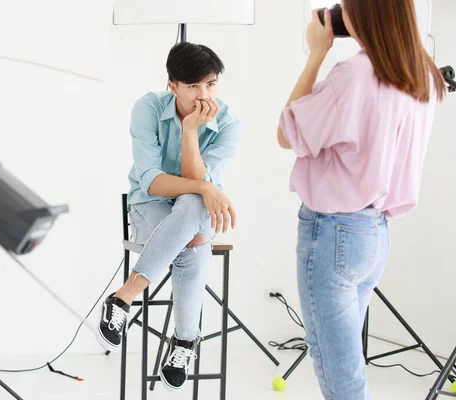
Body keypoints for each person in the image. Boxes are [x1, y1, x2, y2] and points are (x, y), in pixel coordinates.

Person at [277, 0, 446, 399]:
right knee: (348, 366)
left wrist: (316, 54)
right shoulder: (421, 74)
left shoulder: (354, 74)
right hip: (373, 235)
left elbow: (287, 134)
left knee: (339, 375)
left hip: (332, 233)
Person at [95, 41, 241, 392]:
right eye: (193, 86)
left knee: (192, 211)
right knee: (194, 238)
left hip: (195, 214)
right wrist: (207, 189)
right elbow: (152, 182)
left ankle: (124, 296)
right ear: (172, 85)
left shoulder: (229, 123)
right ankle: (186, 342)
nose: (204, 95)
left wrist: (191, 131)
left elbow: (197, 188)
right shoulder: (147, 108)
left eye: (211, 84)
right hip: (150, 208)